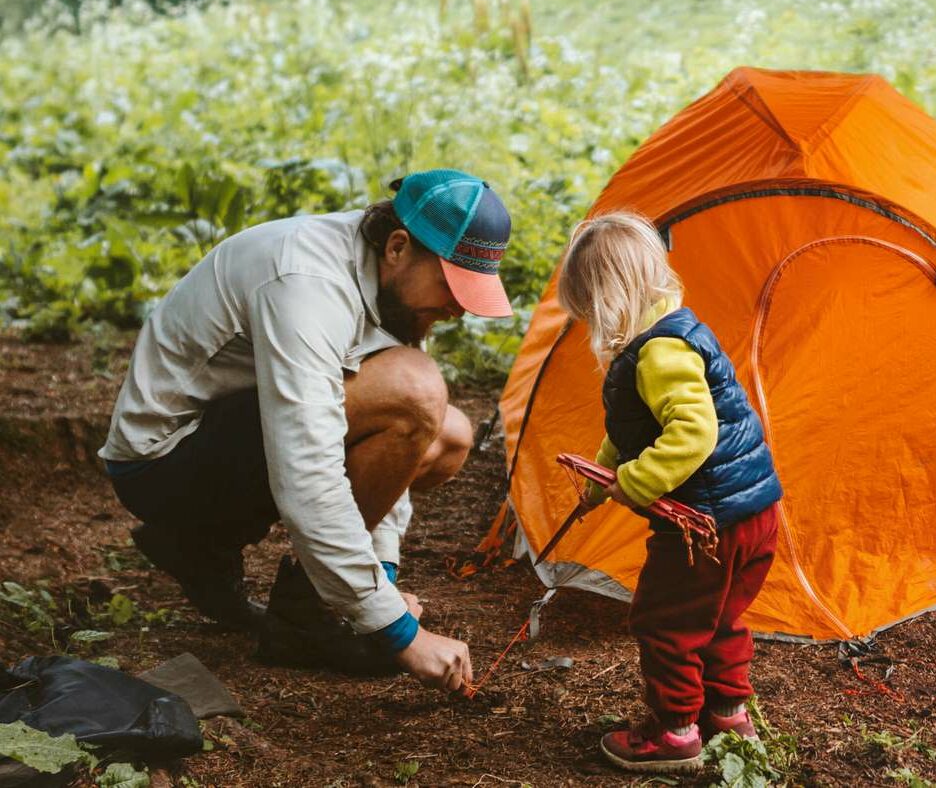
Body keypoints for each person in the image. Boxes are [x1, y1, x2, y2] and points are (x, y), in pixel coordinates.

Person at [99, 169, 515, 693]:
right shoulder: (306, 283)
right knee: (415, 388)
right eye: (452, 285)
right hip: (161, 461)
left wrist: (379, 575)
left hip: (232, 438)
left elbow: (398, 446)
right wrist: (399, 632)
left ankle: (299, 602)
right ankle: (234, 562)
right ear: (398, 247)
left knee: (448, 432)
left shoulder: (393, 288)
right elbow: (308, 466)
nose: (458, 308)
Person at [556, 212, 784, 774]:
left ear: (609, 299)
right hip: (751, 510)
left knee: (667, 622)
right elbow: (636, 430)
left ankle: (675, 731)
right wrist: (604, 480)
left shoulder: (658, 353)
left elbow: (693, 432)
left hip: (703, 526)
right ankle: (727, 714)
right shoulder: (676, 331)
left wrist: (634, 483)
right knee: (720, 616)